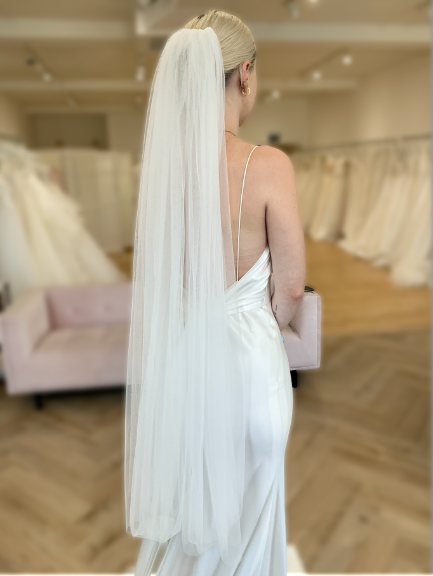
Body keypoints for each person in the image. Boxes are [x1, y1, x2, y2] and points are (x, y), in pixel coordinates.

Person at [125, 10, 306, 576]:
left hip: (189, 363)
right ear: (244, 73)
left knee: (199, 510)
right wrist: (266, 320)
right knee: (254, 508)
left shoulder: (168, 172)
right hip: (251, 363)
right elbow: (291, 286)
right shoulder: (268, 164)